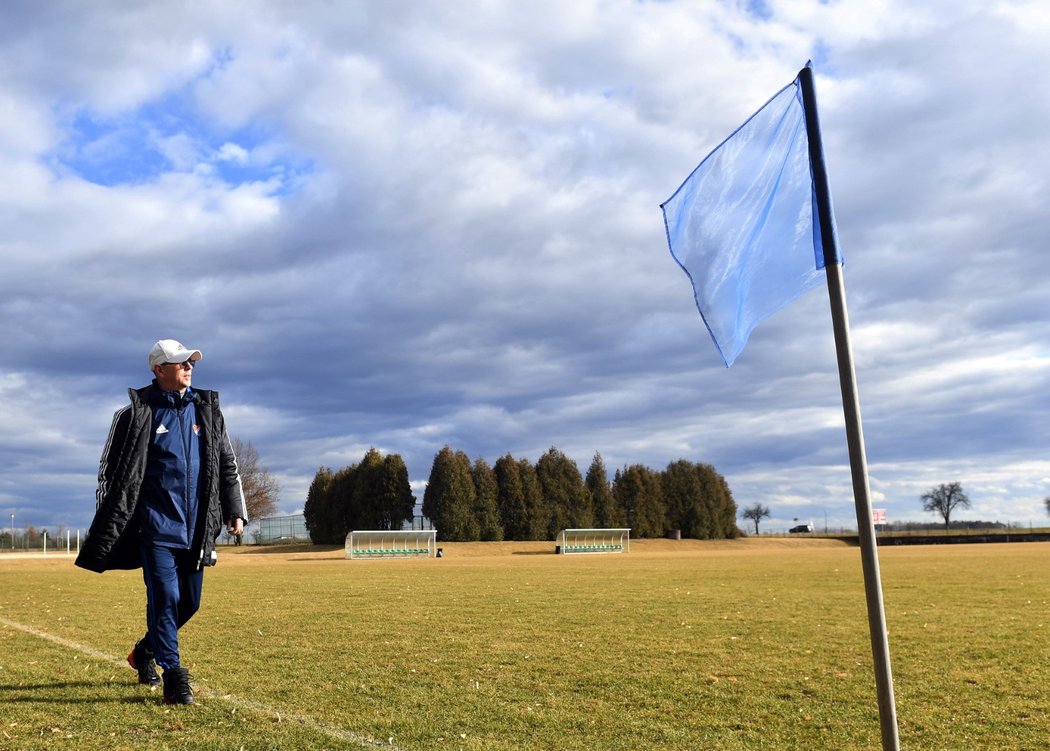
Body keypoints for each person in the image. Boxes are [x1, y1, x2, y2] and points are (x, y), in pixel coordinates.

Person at [76, 339, 247, 705]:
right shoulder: (134, 415)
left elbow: (226, 464)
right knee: (166, 597)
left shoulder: (208, 412)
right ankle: (174, 675)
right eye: (180, 362)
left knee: (190, 603)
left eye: (191, 362)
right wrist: (114, 520)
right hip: (153, 528)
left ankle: (143, 652)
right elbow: (110, 474)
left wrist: (235, 510)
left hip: (198, 527)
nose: (189, 367)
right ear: (158, 369)